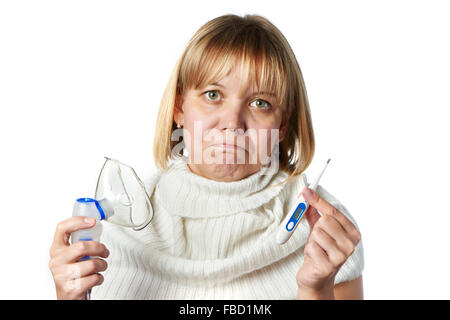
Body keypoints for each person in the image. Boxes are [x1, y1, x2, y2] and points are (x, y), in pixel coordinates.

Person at [49, 14, 364, 300]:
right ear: (179, 108)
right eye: (213, 95)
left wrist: (315, 290)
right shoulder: (118, 225)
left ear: (283, 124)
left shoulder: (326, 230)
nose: (232, 123)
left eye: (260, 103)